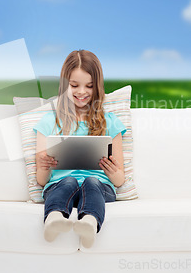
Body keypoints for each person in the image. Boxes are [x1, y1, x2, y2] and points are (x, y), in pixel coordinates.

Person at [33, 49, 127, 248]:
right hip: (60, 186)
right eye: (74, 85)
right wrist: (44, 166)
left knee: (91, 182)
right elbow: (41, 181)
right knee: (68, 181)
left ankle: (89, 224)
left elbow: (119, 181)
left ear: (97, 87)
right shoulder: (50, 121)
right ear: (65, 85)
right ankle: (53, 219)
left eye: (89, 86)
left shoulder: (110, 123)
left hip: (100, 188)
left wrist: (113, 171)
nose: (82, 92)